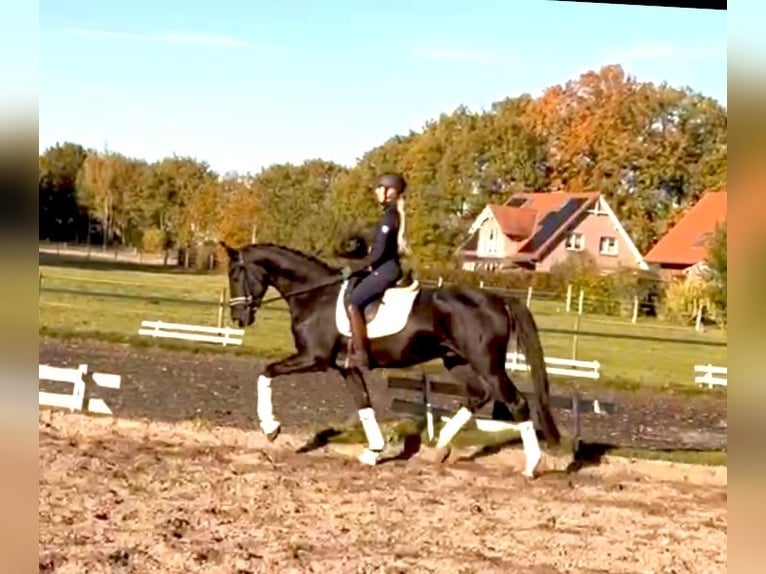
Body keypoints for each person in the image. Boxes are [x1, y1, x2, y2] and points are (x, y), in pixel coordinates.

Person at [341, 172, 409, 368]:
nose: (377, 191)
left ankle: (361, 354)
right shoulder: (389, 215)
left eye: (380, 188)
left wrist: (357, 268)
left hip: (385, 270)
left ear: (390, 192)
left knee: (353, 302)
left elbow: (379, 253)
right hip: (382, 268)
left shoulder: (390, 217)